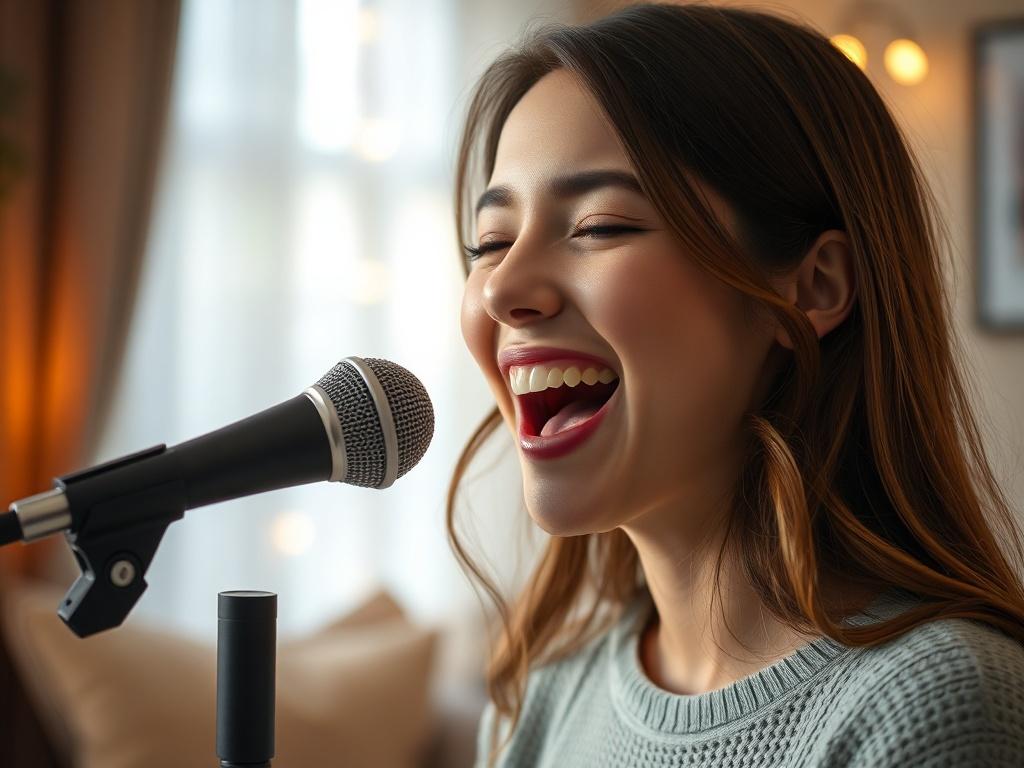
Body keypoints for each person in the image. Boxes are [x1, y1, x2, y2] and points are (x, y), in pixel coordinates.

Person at [447, 3, 1024, 766]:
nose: (500, 289)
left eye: (599, 226)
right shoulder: (541, 694)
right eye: (491, 241)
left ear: (812, 289)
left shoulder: (937, 707)